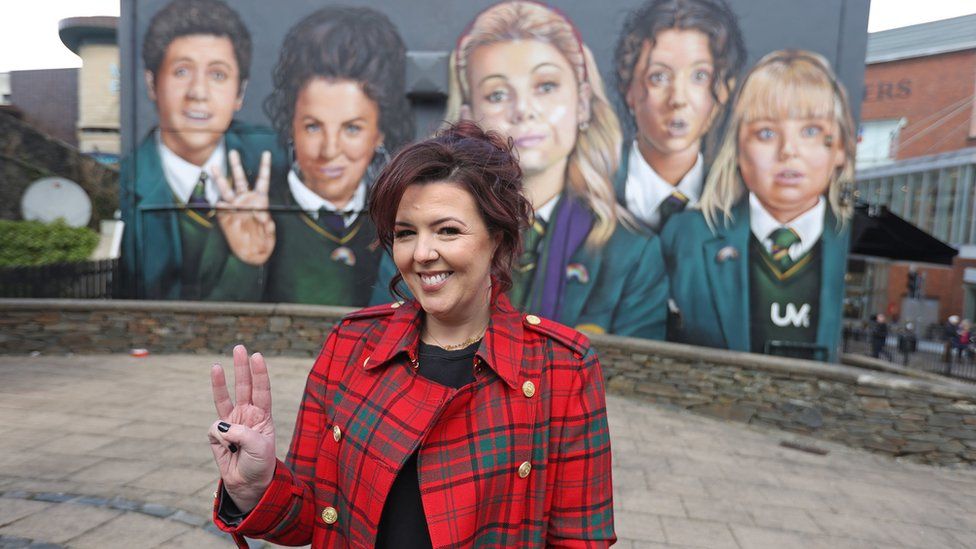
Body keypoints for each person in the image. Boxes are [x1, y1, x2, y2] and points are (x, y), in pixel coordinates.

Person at [208, 122, 615, 548]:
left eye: (448, 230)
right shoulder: (350, 345)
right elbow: (310, 519)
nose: (421, 254)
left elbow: (580, 540)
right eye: (406, 233)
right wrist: (256, 485)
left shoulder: (563, 368)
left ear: (497, 238)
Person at [376, 0, 667, 339]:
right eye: (498, 94)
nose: (523, 110)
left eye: (545, 86)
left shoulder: (633, 253)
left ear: (583, 102)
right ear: (469, 112)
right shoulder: (416, 235)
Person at [660, 50, 856, 362]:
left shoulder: (849, 239)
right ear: (737, 147)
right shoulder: (687, 237)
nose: (788, 151)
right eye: (766, 133)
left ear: (842, 148)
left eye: (811, 131)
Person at [119, 0, 285, 300]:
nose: (198, 93)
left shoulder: (279, 158)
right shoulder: (124, 181)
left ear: (240, 93)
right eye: (181, 71)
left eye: (218, 75)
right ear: (151, 83)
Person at [261, 7, 412, 305]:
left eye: (352, 128)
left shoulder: (399, 217)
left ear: (380, 132)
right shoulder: (251, 212)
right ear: (291, 124)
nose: (329, 150)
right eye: (313, 126)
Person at [612, 0, 745, 233]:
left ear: (724, 90)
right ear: (628, 89)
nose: (678, 98)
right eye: (658, 77)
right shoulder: (590, 190)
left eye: (700, 76)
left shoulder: (740, 200)